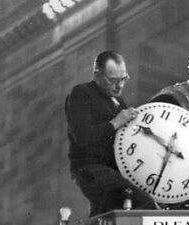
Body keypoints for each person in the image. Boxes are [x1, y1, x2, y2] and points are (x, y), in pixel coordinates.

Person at [65, 49, 157, 215]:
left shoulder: (116, 99)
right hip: (90, 169)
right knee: (144, 202)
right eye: (113, 80)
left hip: (113, 170)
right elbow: (83, 136)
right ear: (96, 75)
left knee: (104, 214)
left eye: (123, 79)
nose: (120, 85)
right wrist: (116, 122)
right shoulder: (81, 93)